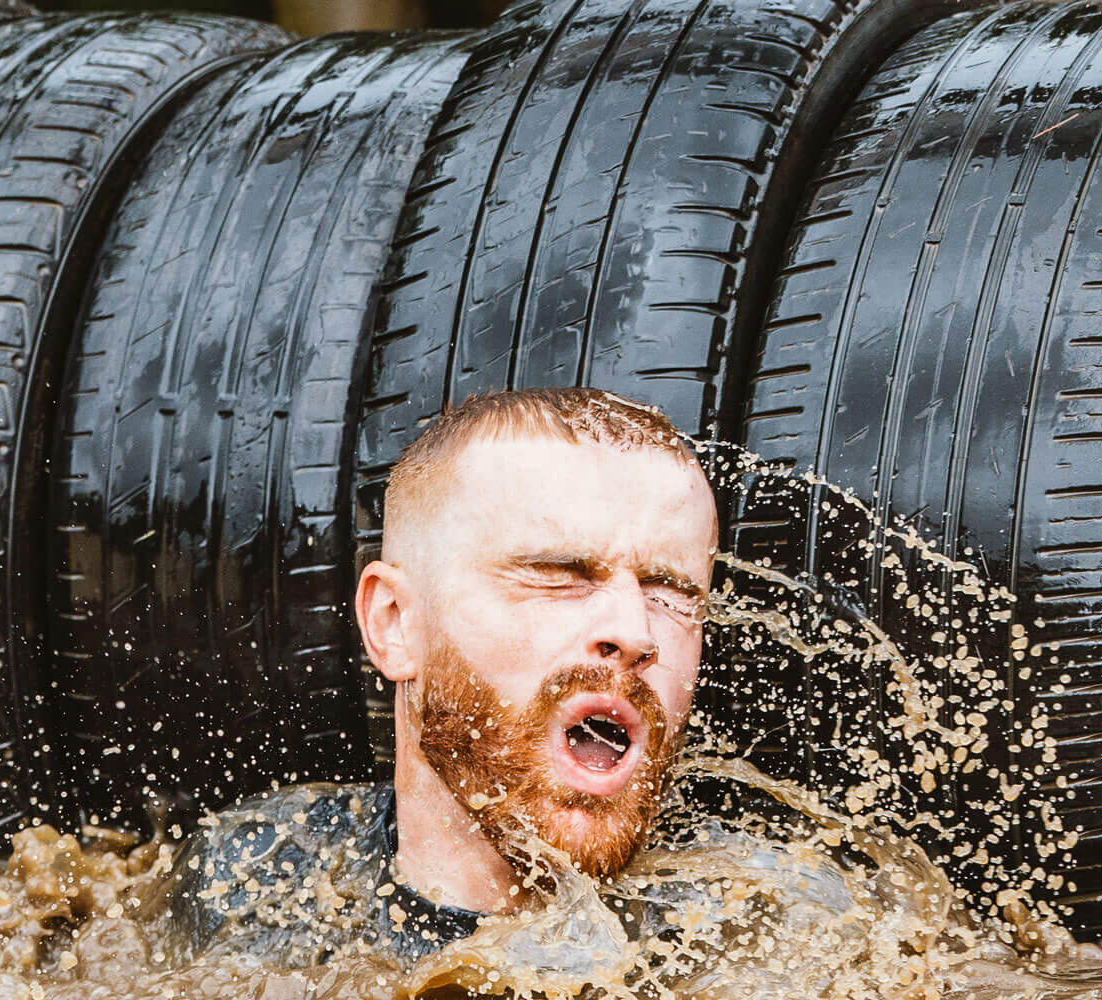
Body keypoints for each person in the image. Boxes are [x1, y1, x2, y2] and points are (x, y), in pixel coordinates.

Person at [177, 386, 719, 967]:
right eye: (557, 576)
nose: (636, 633)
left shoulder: (740, 929)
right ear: (395, 625)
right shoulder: (250, 876)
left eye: (671, 596)